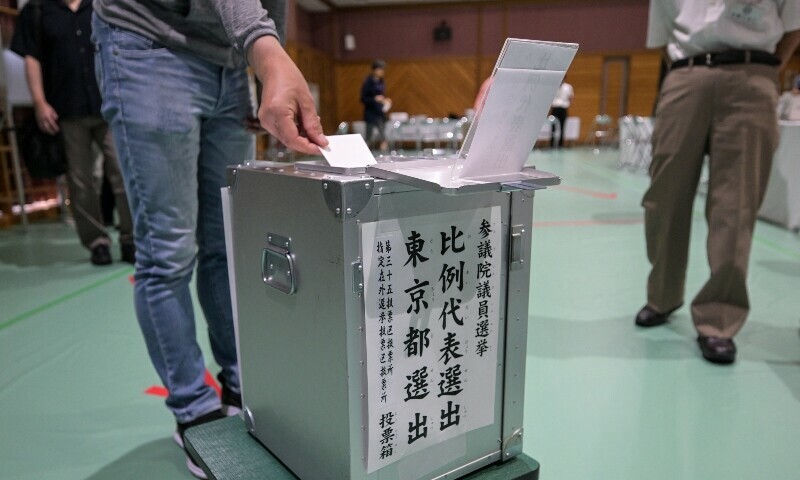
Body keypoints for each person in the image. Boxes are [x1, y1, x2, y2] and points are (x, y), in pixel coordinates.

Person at [91, 1, 327, 477]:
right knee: (169, 253)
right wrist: (267, 53)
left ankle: (243, 387)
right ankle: (194, 411)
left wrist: (263, 61)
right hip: (148, 44)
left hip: (228, 59)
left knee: (227, 248)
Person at [636, 0, 800, 364]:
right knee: (663, 196)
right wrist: (687, 70)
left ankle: (719, 318)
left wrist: (763, 71)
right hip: (685, 73)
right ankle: (663, 294)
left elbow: (792, 26)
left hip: (752, 74)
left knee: (735, 204)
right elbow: (663, 33)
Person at [10, 0, 134, 266]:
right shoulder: (38, 10)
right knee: (80, 182)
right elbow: (32, 59)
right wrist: (39, 102)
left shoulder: (102, 5)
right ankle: (97, 242)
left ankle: (131, 239)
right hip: (66, 109)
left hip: (108, 105)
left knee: (124, 173)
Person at [360, 59, 390, 151]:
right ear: (375, 70)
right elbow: (363, 99)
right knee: (369, 136)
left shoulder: (381, 81)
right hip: (370, 113)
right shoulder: (368, 82)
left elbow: (381, 95)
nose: (382, 72)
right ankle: (365, 153)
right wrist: (374, 99)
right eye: (380, 69)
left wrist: (385, 100)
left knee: (383, 135)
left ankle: (384, 153)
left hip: (380, 112)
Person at [550, 80, 573, 148]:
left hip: (563, 108)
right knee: (553, 127)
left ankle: (560, 144)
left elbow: (571, 97)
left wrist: (567, 103)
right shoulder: (554, 85)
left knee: (562, 126)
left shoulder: (568, 87)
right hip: (555, 108)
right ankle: (552, 144)